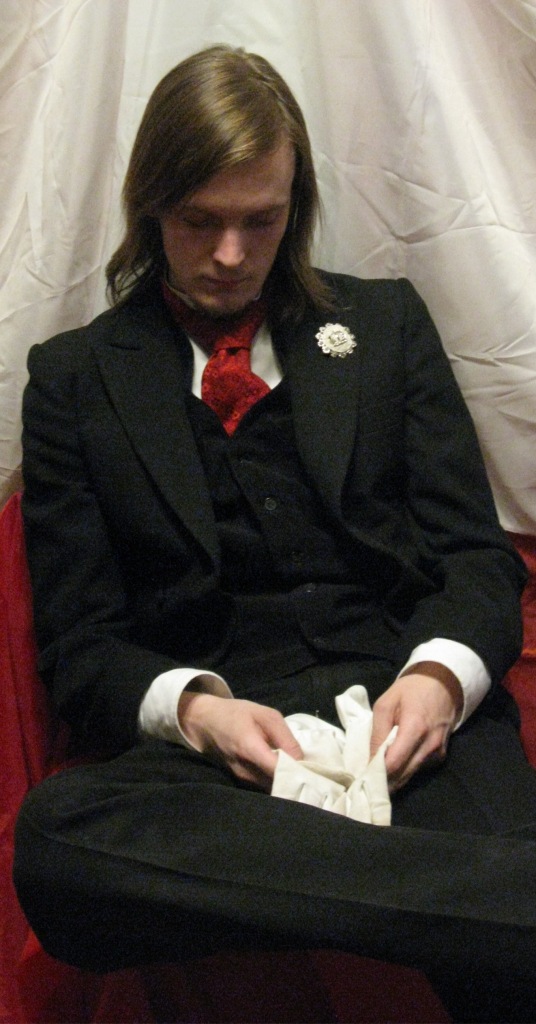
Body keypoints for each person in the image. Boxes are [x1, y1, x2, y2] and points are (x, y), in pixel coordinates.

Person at [13, 44, 536, 1022]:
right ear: (150, 206)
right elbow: (81, 649)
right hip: (221, 755)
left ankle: (466, 896)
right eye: (198, 221)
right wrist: (198, 713)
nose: (228, 254)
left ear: (295, 205)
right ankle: (495, 900)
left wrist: (436, 679)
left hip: (400, 707)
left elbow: (473, 557)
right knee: (55, 841)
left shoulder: (386, 325)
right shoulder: (74, 380)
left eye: (260, 220)